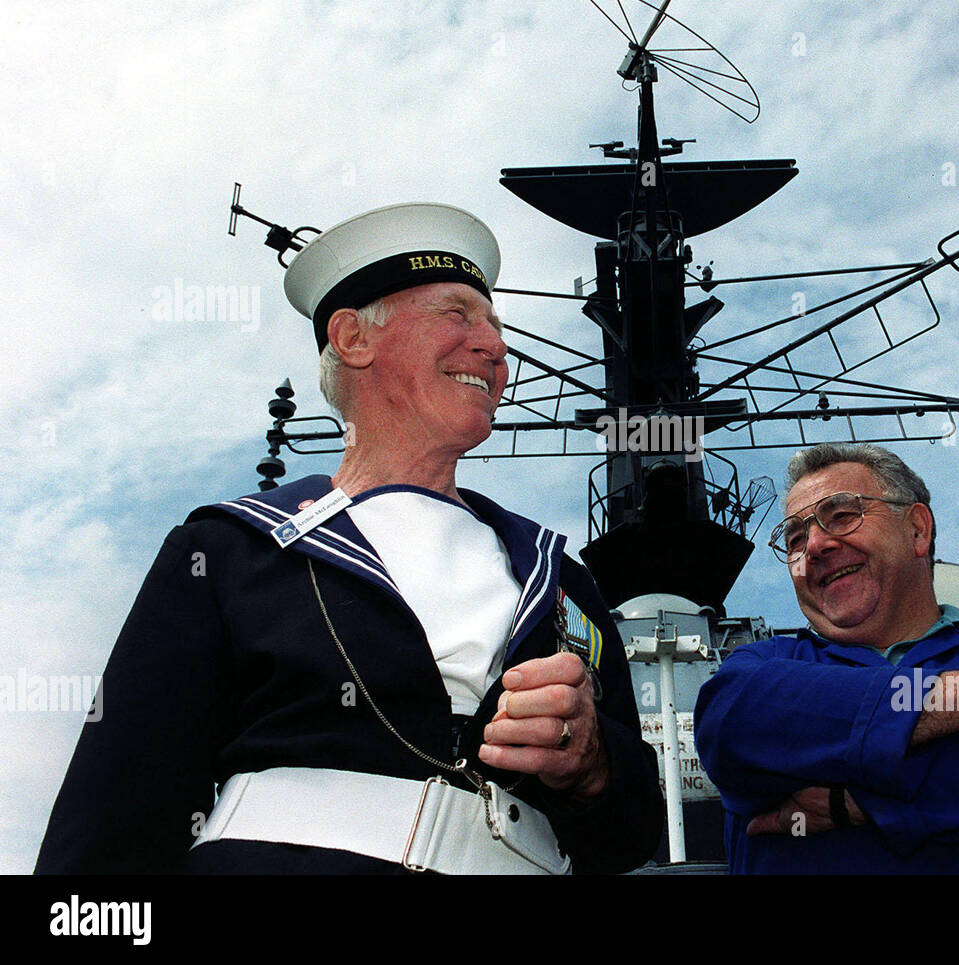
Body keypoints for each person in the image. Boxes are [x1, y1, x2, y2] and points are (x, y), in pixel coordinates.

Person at [36, 203, 663, 874]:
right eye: (458, 315)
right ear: (355, 338)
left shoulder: (564, 580)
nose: (494, 346)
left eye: (495, 325)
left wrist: (593, 763)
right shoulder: (229, 550)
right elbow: (113, 820)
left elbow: (629, 842)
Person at [694, 442, 959, 873]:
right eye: (794, 539)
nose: (813, 547)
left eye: (842, 516)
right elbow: (732, 724)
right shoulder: (760, 668)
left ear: (917, 529)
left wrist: (853, 803)